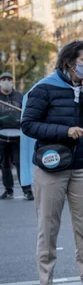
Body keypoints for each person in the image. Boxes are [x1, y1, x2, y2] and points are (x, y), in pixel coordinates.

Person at [21, 40, 83, 285]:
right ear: (70, 63)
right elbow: (28, 124)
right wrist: (64, 131)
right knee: (47, 228)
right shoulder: (44, 87)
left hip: (81, 165)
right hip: (50, 167)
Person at [0, 72, 33, 200]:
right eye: (4, 79)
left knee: (21, 163)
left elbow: (26, 112)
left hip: (18, 136)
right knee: (4, 164)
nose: (6, 81)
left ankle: (27, 190)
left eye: (9, 79)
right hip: (2, 137)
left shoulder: (19, 96)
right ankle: (8, 190)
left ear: (12, 82)